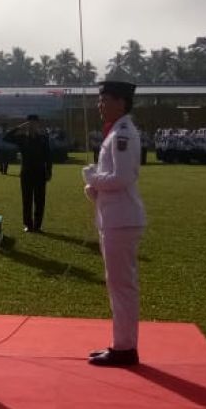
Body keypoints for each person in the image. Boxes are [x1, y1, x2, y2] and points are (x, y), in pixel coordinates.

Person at [82, 80, 146, 367]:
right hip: (115, 216)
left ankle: (125, 348)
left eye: (105, 99)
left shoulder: (122, 134)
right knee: (118, 284)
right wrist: (96, 189)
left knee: (122, 285)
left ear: (121, 102)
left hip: (121, 218)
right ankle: (122, 344)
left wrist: (92, 178)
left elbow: (122, 178)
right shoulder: (116, 132)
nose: (100, 105)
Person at [5, 114, 53, 233]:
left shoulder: (43, 138)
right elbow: (6, 137)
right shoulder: (22, 138)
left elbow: (48, 156)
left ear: (38, 124)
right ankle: (28, 224)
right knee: (26, 200)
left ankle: (38, 225)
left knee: (40, 200)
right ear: (27, 124)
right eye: (30, 123)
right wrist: (19, 127)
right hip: (26, 172)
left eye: (34, 123)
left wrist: (49, 171)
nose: (32, 125)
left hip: (40, 172)